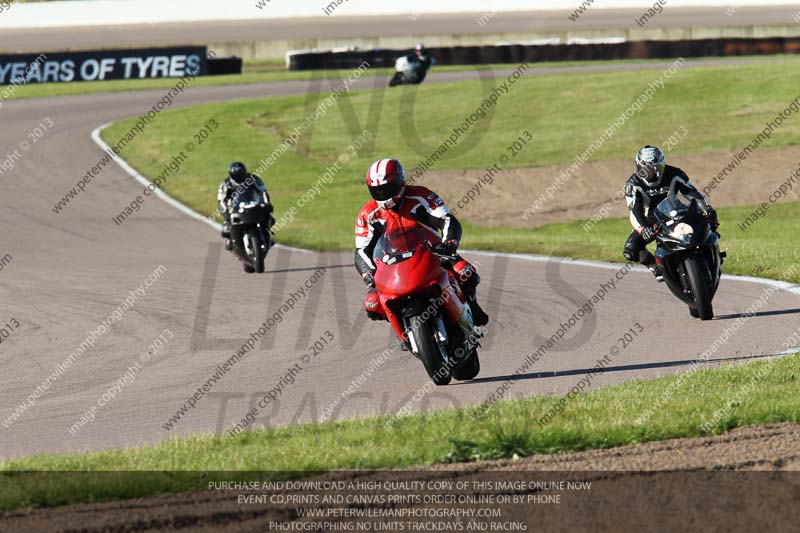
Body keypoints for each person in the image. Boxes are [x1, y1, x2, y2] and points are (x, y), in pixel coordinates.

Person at [354, 158, 489, 327]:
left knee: (466, 272)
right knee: (373, 303)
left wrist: (449, 242)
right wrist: (369, 275)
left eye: (388, 188)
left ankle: (472, 306)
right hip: (393, 263)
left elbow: (446, 220)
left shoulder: (420, 195)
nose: (384, 195)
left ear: (400, 182)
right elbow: (361, 250)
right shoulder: (368, 213)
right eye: (378, 191)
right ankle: (404, 329)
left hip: (433, 251)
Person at [623, 145, 718, 280]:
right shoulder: (632, 184)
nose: (649, 173)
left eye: (654, 168)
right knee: (630, 250)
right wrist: (643, 228)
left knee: (707, 223)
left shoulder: (674, 174)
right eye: (644, 169)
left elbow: (692, 193)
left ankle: (712, 256)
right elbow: (634, 212)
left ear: (661, 166)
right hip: (651, 221)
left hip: (675, 213)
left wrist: (707, 209)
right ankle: (655, 267)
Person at [218, 162, 273, 265]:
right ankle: (231, 240)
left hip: (253, 205)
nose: (239, 179)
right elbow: (221, 200)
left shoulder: (254, 179)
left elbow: (264, 192)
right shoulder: (226, 184)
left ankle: (267, 236)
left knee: (270, 219)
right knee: (226, 228)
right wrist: (226, 213)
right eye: (237, 177)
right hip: (234, 209)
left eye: (241, 176)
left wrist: (267, 204)